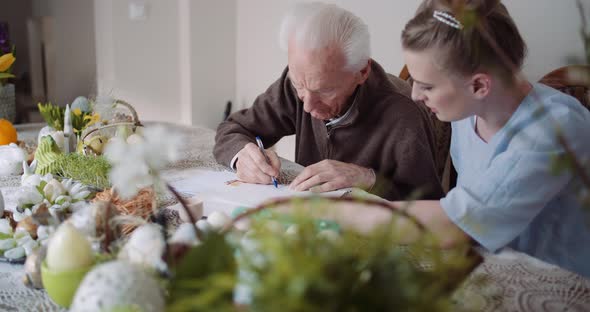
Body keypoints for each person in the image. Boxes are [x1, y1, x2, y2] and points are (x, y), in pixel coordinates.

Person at [395, 0, 590, 277]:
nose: (414, 94)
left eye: (426, 86)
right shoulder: (467, 111)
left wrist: (343, 210)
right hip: (491, 267)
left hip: (560, 282)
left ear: (479, 85)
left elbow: (457, 225)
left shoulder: (554, 130)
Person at [214, 2, 443, 201]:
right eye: (299, 86)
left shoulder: (405, 114)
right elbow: (233, 128)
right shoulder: (299, 82)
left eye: (324, 90)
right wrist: (243, 156)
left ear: (362, 71)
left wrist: (369, 179)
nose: (307, 106)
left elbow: (431, 206)